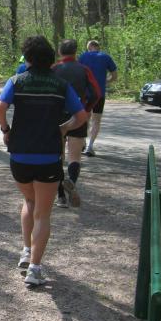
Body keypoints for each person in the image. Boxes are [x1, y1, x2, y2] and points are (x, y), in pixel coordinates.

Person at [0, 36, 88, 286]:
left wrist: (5, 130)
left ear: (27, 58)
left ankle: (26, 251)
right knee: (43, 213)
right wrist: (64, 128)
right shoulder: (61, 84)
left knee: (29, 201)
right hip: (48, 155)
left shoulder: (17, 80)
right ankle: (34, 269)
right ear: (50, 59)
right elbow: (81, 116)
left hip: (20, 155)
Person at [52, 39, 101, 208]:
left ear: (60, 52)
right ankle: (71, 181)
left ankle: (60, 197)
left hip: (57, 116)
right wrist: (86, 109)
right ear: (75, 52)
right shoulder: (83, 69)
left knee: (58, 157)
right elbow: (96, 93)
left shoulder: (54, 69)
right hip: (77, 115)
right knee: (75, 157)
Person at [78, 39, 118, 156]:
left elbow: (78, 73)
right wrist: (106, 81)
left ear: (90, 47)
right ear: (98, 47)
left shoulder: (83, 56)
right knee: (96, 120)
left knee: (85, 118)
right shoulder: (106, 57)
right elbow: (114, 76)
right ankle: (90, 147)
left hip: (86, 93)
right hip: (99, 94)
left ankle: (83, 142)